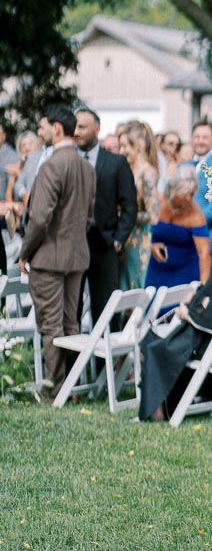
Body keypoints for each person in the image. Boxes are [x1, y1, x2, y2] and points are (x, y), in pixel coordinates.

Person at [18, 105, 95, 399]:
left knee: (51, 325)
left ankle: (55, 389)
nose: (40, 132)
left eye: (43, 127)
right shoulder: (86, 167)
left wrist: (25, 252)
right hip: (77, 256)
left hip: (49, 257)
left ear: (57, 129)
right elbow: (87, 216)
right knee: (70, 322)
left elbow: (40, 218)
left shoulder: (51, 165)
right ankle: (73, 388)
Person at [139, 234, 212, 422]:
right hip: (196, 338)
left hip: (200, 343)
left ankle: (158, 409)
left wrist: (188, 313)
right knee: (150, 340)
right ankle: (157, 404)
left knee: (154, 348)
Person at [74, 108, 138, 323]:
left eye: (82, 127)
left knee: (103, 312)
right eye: (75, 126)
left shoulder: (116, 162)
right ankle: (74, 357)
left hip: (104, 246)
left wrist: (118, 240)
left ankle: (102, 357)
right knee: (72, 310)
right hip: (72, 246)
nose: (76, 132)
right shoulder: (68, 160)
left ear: (97, 129)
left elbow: (130, 206)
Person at [147, 165, 211, 289]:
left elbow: (204, 254)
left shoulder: (195, 215)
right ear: (172, 189)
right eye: (184, 194)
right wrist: (149, 246)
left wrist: (203, 289)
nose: (188, 198)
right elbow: (140, 232)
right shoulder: (158, 202)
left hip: (184, 272)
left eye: (192, 194)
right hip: (155, 268)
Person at [117, 121, 160, 290]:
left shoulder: (147, 173)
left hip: (138, 240)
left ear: (139, 146)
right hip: (124, 239)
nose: (122, 151)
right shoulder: (127, 169)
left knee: (133, 287)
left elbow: (154, 216)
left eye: (125, 146)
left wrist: (124, 216)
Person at [190, 120, 212, 238]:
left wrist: (190, 221)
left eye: (205, 137)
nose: (200, 141)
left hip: (207, 234)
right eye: (197, 137)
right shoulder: (186, 165)